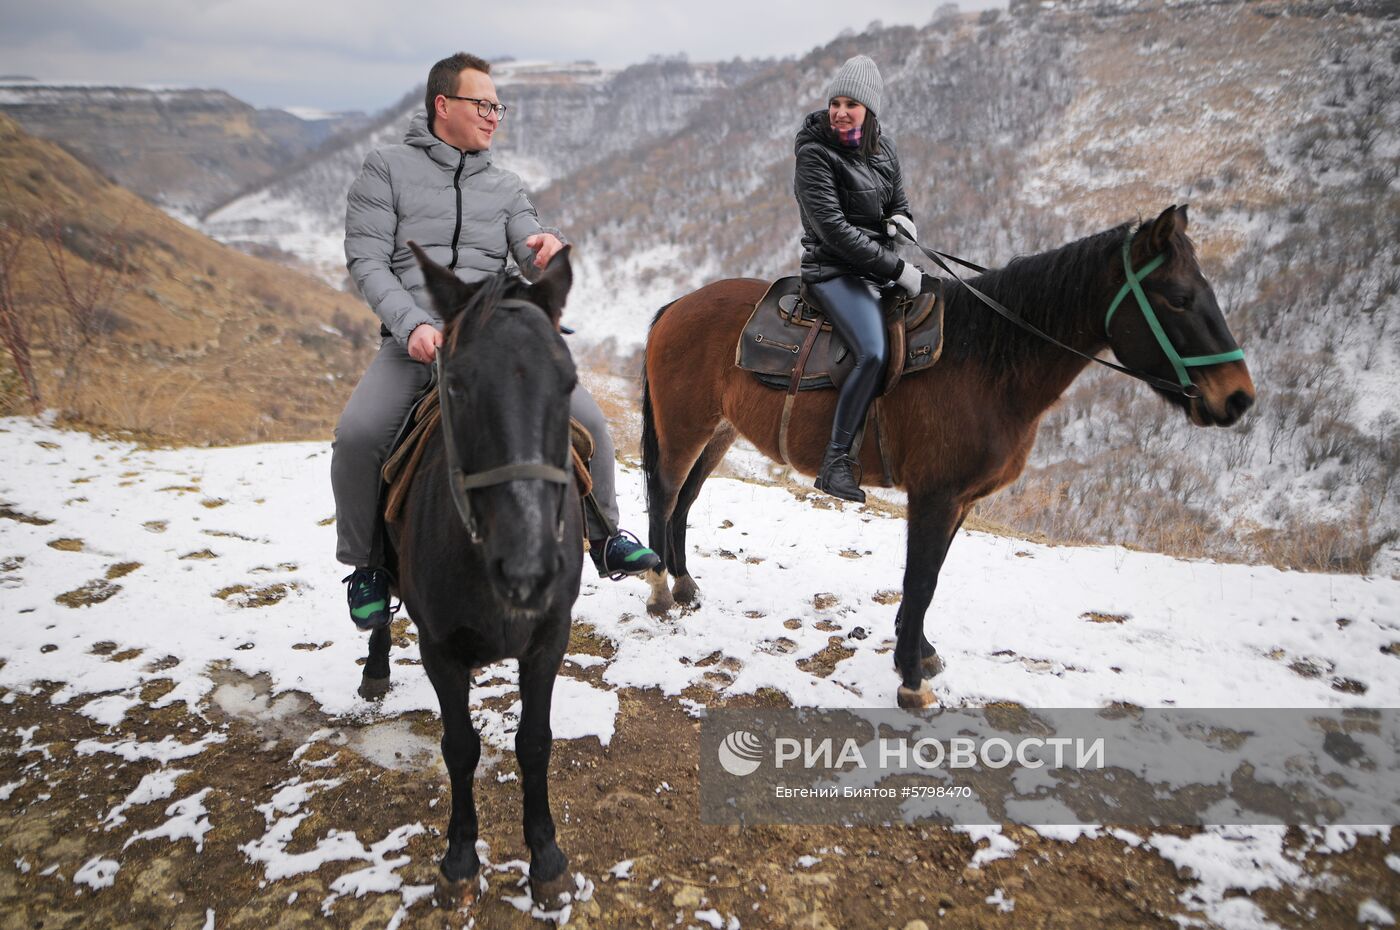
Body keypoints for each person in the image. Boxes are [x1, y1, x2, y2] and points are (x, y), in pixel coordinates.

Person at [332, 51, 659, 631]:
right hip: (418, 342)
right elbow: (368, 261)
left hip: (493, 344)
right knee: (357, 436)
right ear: (443, 105)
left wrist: (545, 249)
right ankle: (367, 568)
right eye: (482, 105)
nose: (493, 117)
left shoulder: (506, 185)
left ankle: (605, 534)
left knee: (590, 423)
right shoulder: (384, 168)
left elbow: (529, 244)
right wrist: (414, 325)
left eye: (497, 107)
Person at [793, 54, 922, 505]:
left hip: (877, 270)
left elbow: (898, 200)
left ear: (869, 112)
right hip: (833, 270)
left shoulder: (882, 149)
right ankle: (836, 461)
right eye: (835, 101)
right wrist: (898, 269)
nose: (840, 111)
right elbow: (834, 230)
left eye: (851, 103)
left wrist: (902, 220)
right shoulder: (814, 154)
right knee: (871, 351)